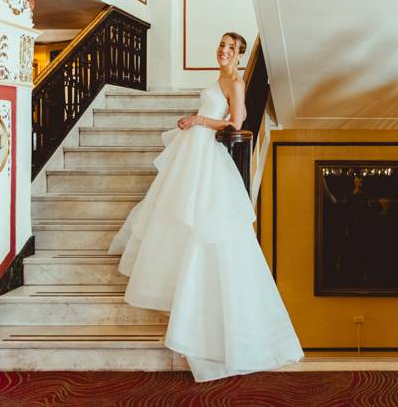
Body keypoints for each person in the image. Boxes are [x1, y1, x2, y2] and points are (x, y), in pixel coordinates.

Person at [108, 32, 304, 381]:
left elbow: (237, 123)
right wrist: (195, 120)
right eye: (221, 45)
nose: (223, 51)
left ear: (240, 55)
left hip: (206, 155)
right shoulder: (219, 78)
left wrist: (198, 120)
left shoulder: (237, 81)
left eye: (230, 48)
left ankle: (207, 329)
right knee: (177, 220)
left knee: (203, 223)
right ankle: (184, 314)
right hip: (193, 151)